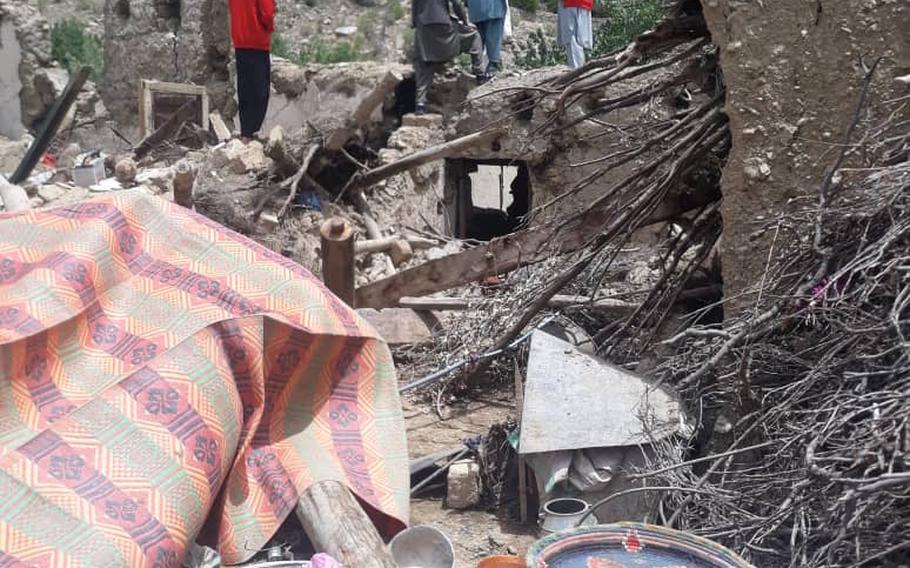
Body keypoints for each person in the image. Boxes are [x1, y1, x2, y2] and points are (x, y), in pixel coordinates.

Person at [412, 0, 488, 115]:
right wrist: (465, 20)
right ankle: (480, 74)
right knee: (474, 36)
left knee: (424, 63)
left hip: (423, 28)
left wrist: (415, 23)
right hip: (444, 26)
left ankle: (420, 104)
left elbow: (414, 6)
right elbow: (457, 3)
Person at [228, 0, 276, 142]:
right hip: (257, 41)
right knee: (259, 93)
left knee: (245, 91)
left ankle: (245, 134)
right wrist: (270, 27)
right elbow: (267, 13)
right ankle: (252, 136)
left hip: (240, 40)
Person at [467, 0, 507, 78]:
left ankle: (477, 67)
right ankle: (492, 66)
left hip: (475, 9)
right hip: (494, 8)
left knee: (477, 39)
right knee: (493, 37)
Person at [557, 0, 592, 69]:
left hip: (570, 4)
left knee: (571, 39)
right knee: (582, 40)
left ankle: (577, 71)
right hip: (584, 4)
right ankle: (582, 68)